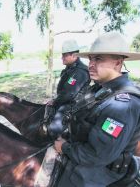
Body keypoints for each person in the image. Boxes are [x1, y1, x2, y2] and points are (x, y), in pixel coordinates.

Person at [54, 32, 140, 187]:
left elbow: (97, 154)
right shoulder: (101, 89)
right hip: (81, 151)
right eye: (91, 59)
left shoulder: (123, 104)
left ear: (118, 62)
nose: (91, 64)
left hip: (101, 170)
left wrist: (65, 147)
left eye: (99, 59)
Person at [42, 39, 90, 138]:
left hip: (73, 105)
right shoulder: (71, 68)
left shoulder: (80, 72)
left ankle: (62, 148)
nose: (62, 58)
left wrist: (54, 101)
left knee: (53, 129)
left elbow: (69, 94)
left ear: (74, 55)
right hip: (66, 101)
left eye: (64, 55)